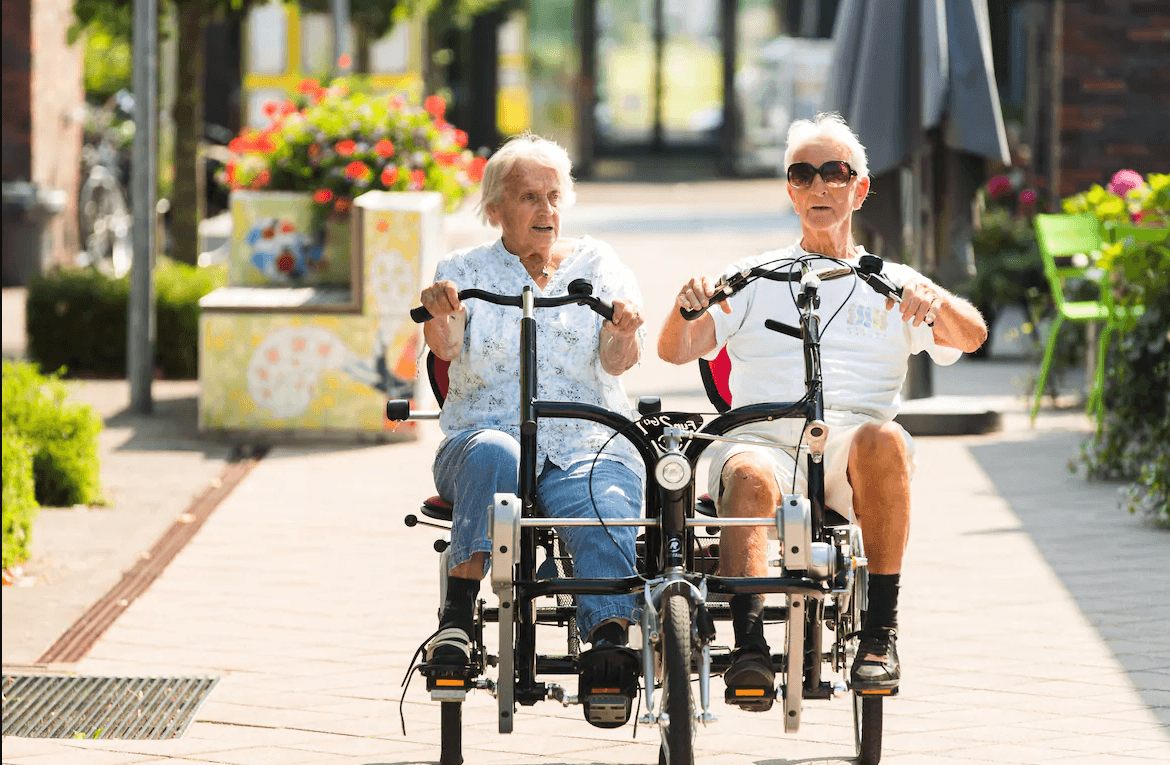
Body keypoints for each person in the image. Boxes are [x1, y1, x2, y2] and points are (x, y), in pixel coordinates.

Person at [657, 113, 988, 703]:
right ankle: (751, 644)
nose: (819, 187)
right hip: (766, 440)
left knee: (885, 438)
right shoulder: (752, 276)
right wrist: (684, 307)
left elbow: (972, 336)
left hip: (851, 449)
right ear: (790, 190)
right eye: (803, 175)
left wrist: (934, 301)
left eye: (835, 173)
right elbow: (675, 351)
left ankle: (881, 634)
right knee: (750, 470)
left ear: (859, 189)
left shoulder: (893, 281)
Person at [418, 133, 645, 726]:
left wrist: (622, 329)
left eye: (553, 196)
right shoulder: (461, 270)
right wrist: (441, 315)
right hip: (482, 438)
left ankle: (609, 646)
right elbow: (443, 347)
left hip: (586, 439)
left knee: (605, 490)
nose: (545, 210)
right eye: (528, 198)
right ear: (495, 209)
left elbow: (620, 362)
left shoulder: (598, 265)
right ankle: (459, 621)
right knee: (495, 453)